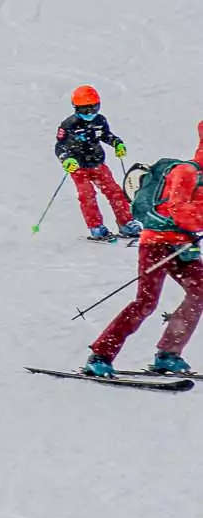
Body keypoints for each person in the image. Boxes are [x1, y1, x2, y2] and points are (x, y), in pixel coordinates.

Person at [87, 126, 203, 378]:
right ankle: (100, 355)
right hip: (157, 243)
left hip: (183, 245)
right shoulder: (187, 172)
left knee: (200, 292)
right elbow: (179, 210)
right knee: (146, 301)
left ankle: (168, 354)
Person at [56, 84, 132, 242]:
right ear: (76, 108)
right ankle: (96, 227)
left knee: (114, 191)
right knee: (87, 195)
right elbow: (60, 146)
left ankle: (126, 223)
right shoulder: (69, 125)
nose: (90, 113)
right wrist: (66, 159)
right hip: (79, 168)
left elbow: (106, 135)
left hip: (97, 163)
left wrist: (117, 143)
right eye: (85, 110)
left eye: (94, 108)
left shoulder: (99, 120)